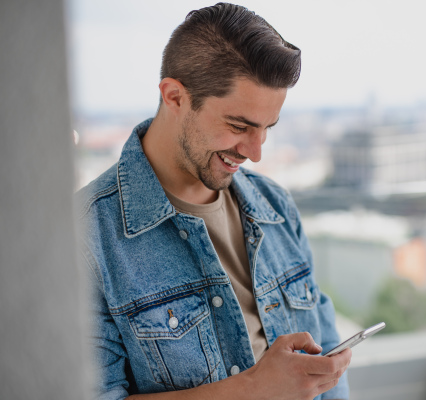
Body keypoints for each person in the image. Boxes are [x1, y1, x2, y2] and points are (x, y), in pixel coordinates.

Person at [76, 3, 351, 400]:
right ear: (174, 97)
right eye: (239, 126)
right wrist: (254, 388)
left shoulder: (275, 204)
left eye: (266, 129)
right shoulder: (86, 237)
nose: (255, 152)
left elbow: (328, 359)